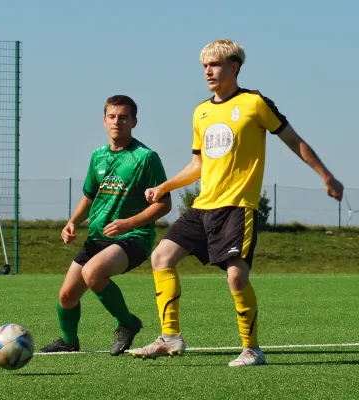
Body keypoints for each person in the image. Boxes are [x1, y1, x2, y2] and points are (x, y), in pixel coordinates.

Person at [128, 39, 344, 367]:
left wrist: (326, 176)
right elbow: (198, 166)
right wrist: (164, 186)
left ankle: (252, 349)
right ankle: (170, 336)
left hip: (237, 207)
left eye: (214, 65)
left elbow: (293, 140)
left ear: (234, 67)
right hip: (203, 206)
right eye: (204, 66)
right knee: (161, 257)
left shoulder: (255, 103)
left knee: (235, 278)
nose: (208, 72)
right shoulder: (200, 111)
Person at [38, 95, 172, 356]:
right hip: (98, 237)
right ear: (104, 120)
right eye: (112, 116)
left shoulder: (146, 158)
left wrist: (128, 223)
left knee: (93, 273)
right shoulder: (98, 156)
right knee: (66, 297)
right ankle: (69, 341)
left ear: (134, 121)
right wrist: (72, 222)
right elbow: (89, 196)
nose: (117, 122)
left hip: (133, 237)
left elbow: (164, 205)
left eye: (123, 117)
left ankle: (127, 323)